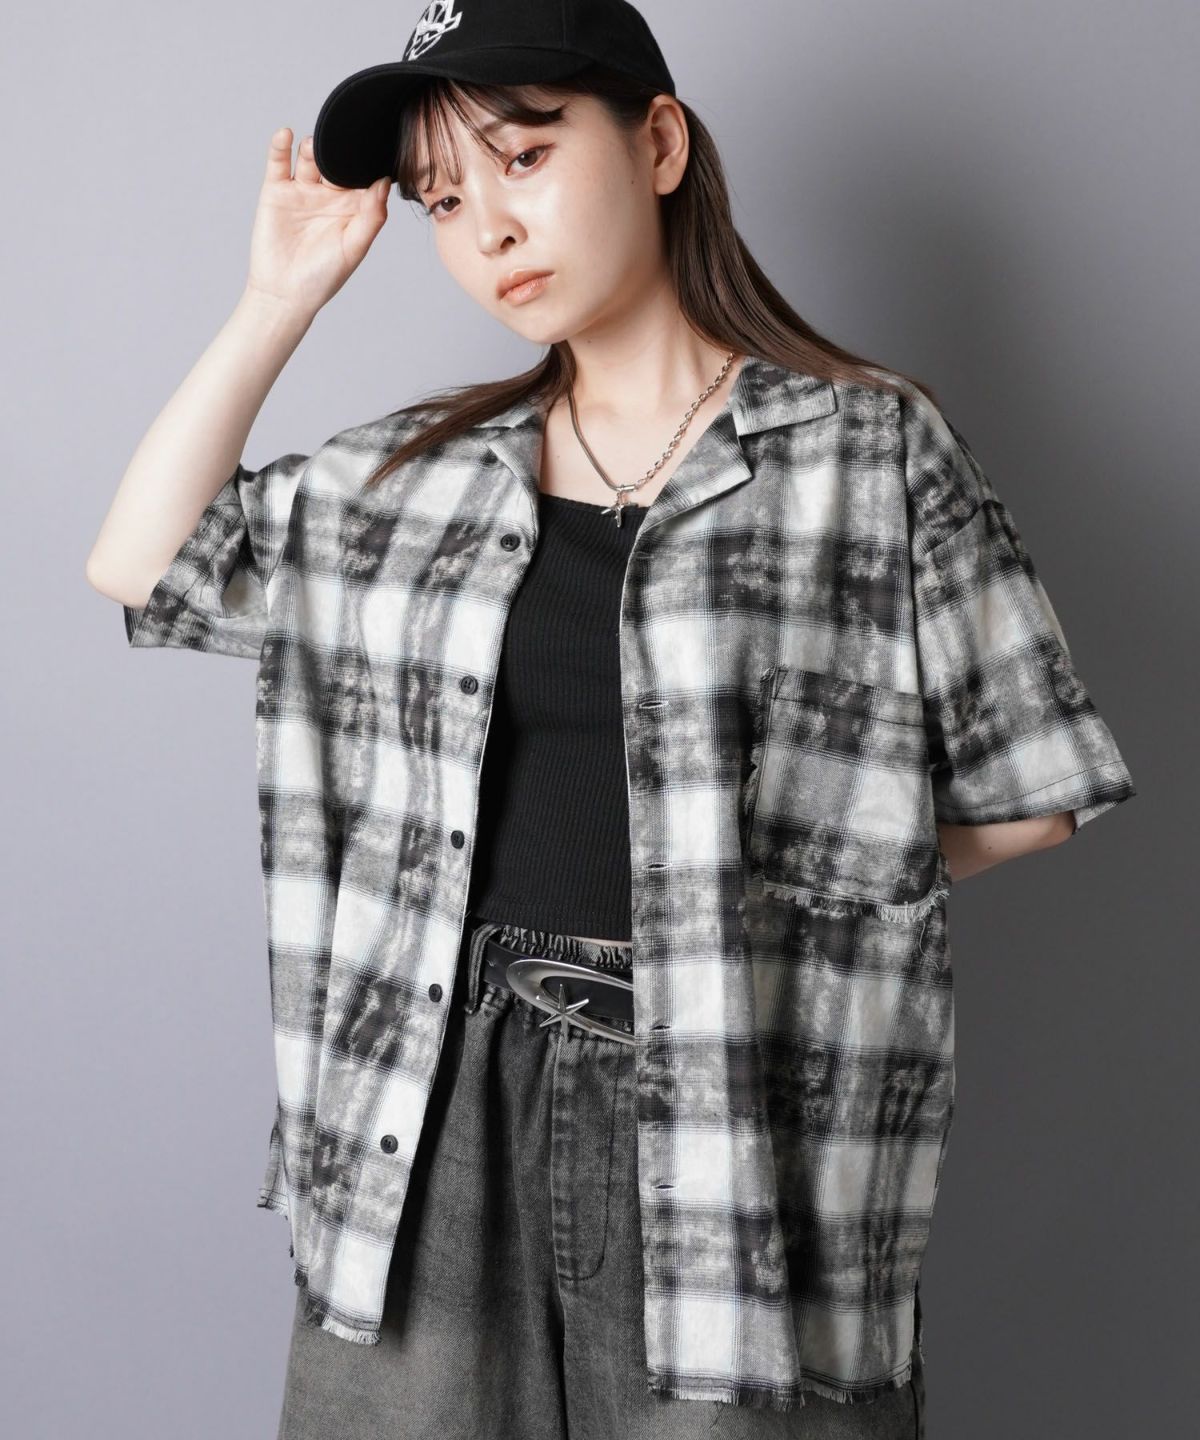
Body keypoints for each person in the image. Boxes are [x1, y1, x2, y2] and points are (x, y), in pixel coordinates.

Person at [85, 3, 1137, 1437]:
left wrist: (745, 892)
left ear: (657, 143)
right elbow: (144, 562)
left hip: (732, 1108)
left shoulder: (865, 451)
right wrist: (280, 298)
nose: (488, 229)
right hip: (432, 1099)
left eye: (524, 157)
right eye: (442, 200)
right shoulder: (418, 482)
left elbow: (1032, 790)